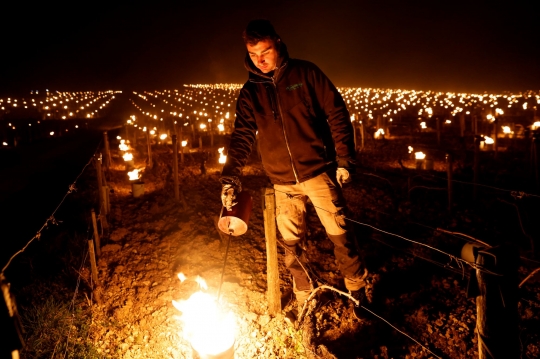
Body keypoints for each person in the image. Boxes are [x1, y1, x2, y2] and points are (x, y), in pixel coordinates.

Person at [220, 19, 368, 319]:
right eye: (252, 55)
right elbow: (242, 135)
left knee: (342, 239)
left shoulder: (306, 73)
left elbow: (336, 113)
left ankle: (358, 295)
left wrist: (344, 160)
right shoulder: (250, 92)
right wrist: (230, 176)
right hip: (282, 182)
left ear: (278, 43)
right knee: (291, 248)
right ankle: (304, 298)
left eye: (265, 52)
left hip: (318, 173)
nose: (259, 60)